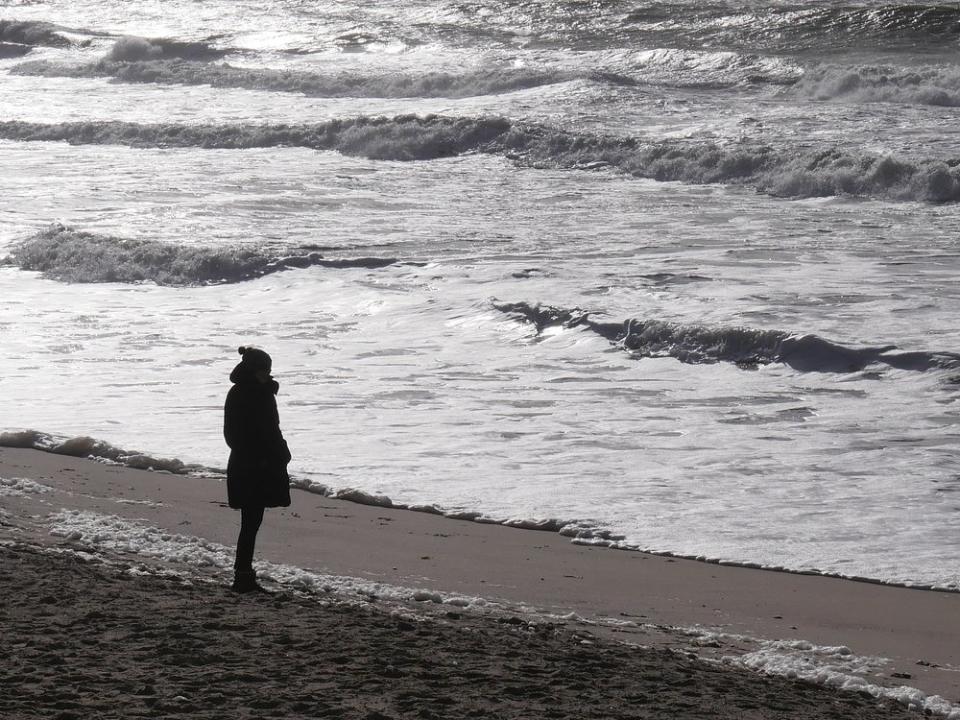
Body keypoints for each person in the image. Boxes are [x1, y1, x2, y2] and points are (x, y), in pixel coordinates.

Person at [223, 346, 292, 593]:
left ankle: (244, 574)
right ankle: (243, 576)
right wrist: (263, 457)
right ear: (254, 370)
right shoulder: (241, 394)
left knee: (252, 522)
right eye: (265, 370)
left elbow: (272, 429)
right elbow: (234, 436)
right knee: (250, 522)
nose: (268, 374)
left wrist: (281, 451)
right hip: (249, 466)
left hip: (258, 464)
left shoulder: (260, 393)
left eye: (269, 370)